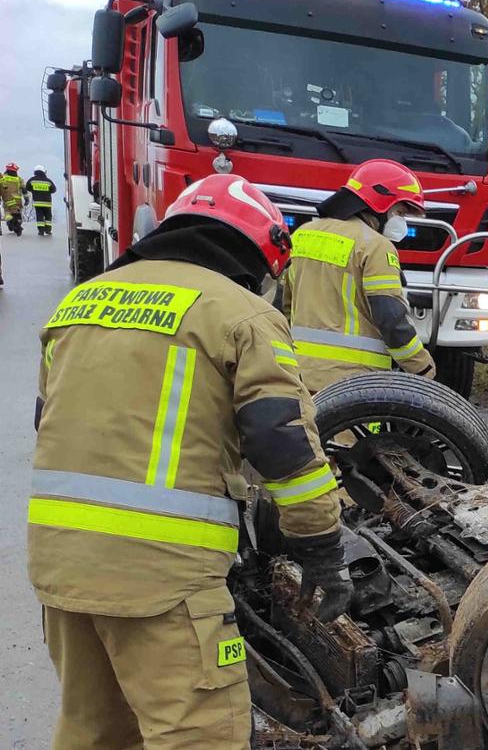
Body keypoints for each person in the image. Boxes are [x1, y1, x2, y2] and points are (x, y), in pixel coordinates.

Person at [31, 174, 350, 749]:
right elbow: (285, 449)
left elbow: (53, 423)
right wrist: (324, 552)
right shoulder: (241, 314)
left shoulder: (80, 302)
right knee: (201, 735)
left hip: (61, 568)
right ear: (256, 252)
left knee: (96, 732)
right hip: (164, 580)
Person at [282, 159, 435, 392]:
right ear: (381, 204)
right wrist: (423, 368)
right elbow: (391, 320)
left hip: (298, 375)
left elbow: (284, 306)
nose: (402, 221)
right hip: (355, 385)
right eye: (401, 212)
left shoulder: (303, 234)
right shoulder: (375, 246)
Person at [26, 165, 58, 236]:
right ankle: (48, 230)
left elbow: (27, 187)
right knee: (48, 216)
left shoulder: (32, 180)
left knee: (39, 216)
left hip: (37, 203)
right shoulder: (48, 181)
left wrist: (33, 190)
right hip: (47, 203)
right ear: (44, 172)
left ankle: (41, 231)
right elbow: (54, 190)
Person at [1, 163, 23, 236]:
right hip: (18, 200)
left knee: (7, 213)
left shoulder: (3, 178)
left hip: (7, 198)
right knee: (17, 214)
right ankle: (17, 225)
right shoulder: (19, 179)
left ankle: (11, 223)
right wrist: (26, 198)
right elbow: (24, 188)